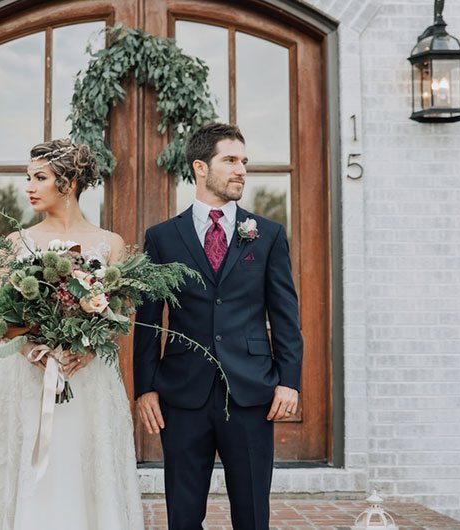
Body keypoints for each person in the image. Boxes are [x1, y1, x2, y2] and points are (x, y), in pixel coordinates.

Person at [0, 139, 144, 530]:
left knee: (83, 466)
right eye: (28, 178)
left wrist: (88, 349)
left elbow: (120, 317)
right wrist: (30, 349)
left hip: (86, 378)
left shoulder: (110, 245)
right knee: (27, 467)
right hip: (26, 377)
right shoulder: (16, 243)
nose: (29, 187)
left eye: (40, 178)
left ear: (69, 183)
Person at [133, 122, 303, 530]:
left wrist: (289, 380)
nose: (241, 169)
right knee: (184, 515)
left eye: (244, 161)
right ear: (200, 167)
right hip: (182, 394)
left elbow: (285, 316)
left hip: (250, 392)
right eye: (230, 160)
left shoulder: (267, 235)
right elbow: (149, 320)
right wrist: (145, 388)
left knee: (252, 516)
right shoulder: (162, 237)